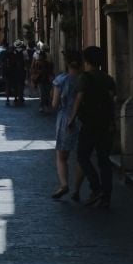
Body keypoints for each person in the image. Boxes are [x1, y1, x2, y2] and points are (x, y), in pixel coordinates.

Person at [70, 44, 117, 208]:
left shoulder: (85, 78)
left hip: (89, 123)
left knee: (82, 156)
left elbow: (78, 99)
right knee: (104, 161)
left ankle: (96, 187)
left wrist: (71, 119)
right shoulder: (108, 78)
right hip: (105, 124)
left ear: (86, 61)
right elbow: (111, 101)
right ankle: (106, 196)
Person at [51, 52, 84, 199]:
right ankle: (77, 189)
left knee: (61, 155)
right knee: (81, 157)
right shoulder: (84, 80)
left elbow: (54, 104)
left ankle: (64, 184)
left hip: (65, 118)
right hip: (83, 119)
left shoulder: (61, 80)